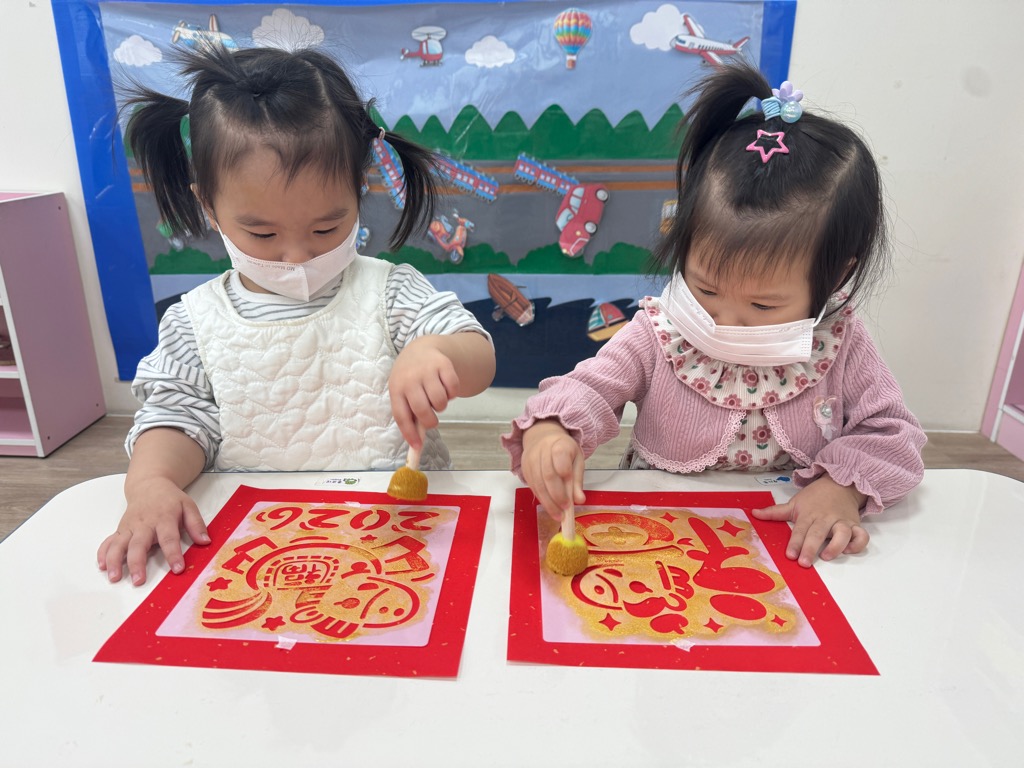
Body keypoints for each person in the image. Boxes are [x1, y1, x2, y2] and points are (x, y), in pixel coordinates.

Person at [99, 44, 496, 586]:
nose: (296, 256)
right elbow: (176, 418)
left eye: (326, 228)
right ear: (208, 206)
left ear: (358, 191)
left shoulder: (389, 291)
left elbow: (477, 356)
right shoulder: (196, 321)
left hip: (402, 537)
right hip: (263, 547)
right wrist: (151, 484)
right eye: (262, 233)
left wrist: (437, 351)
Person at [503, 61, 925, 568]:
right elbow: (590, 388)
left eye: (762, 305)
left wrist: (842, 488)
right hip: (656, 535)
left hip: (782, 547)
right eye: (705, 288)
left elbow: (891, 433)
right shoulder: (662, 329)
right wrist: (553, 429)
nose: (724, 320)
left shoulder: (840, 342)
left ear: (836, 276)